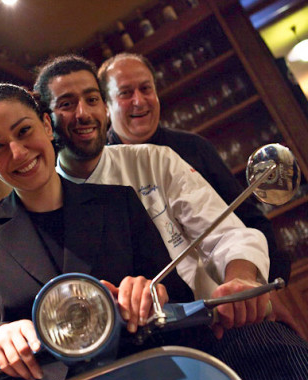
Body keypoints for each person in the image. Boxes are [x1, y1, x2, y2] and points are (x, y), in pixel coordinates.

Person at [33, 54, 308, 380]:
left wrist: (243, 279)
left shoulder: (155, 159)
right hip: (126, 365)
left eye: (91, 100)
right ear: (46, 121)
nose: (83, 113)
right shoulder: (46, 201)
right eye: (66, 104)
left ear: (104, 108)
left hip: (212, 324)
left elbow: (231, 234)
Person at [0, 83, 191, 380]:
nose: (18, 153)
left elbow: (180, 297)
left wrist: (153, 294)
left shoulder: (119, 203)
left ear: (47, 126)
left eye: (24, 131)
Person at [96, 52, 306, 337]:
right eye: (125, 93)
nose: (139, 101)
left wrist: (262, 284)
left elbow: (249, 221)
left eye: (146, 89)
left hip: (228, 303)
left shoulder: (194, 148)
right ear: (106, 107)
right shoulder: (99, 171)